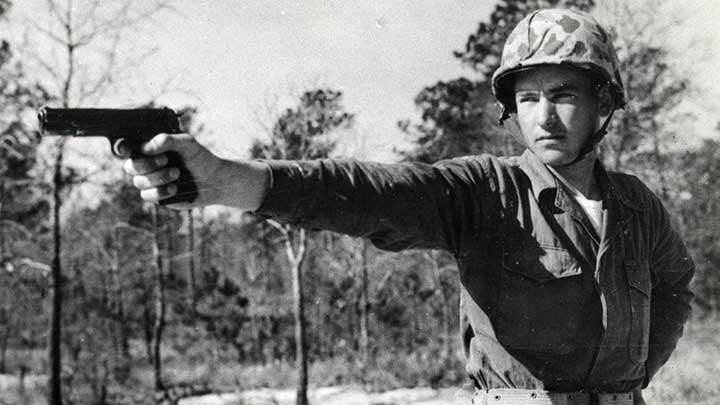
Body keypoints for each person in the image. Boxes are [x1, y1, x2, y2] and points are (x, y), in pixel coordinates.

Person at [123, 9, 693, 405]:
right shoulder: (487, 192)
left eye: (565, 95)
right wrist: (231, 182)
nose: (543, 116)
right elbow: (376, 193)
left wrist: (636, 371)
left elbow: (673, 284)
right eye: (528, 97)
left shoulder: (639, 208)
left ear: (604, 104)